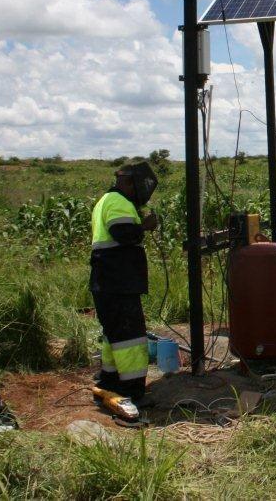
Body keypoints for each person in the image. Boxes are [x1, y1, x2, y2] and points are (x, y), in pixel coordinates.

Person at [89, 162, 159, 403]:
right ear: (129, 182)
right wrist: (145, 226)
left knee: (114, 335)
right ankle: (131, 391)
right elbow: (124, 233)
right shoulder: (118, 202)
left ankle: (110, 382)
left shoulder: (105, 201)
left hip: (108, 281)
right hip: (117, 282)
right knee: (130, 337)